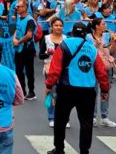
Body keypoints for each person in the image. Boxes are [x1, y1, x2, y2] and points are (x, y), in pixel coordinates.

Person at [46, 23, 110, 154]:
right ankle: (84, 150)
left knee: (60, 121)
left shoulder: (64, 45)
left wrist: (48, 85)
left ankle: (59, 149)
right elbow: (101, 71)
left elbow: (55, 69)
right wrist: (104, 89)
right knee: (86, 123)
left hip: (67, 88)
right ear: (85, 34)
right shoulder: (92, 48)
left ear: (73, 33)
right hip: (87, 90)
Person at [86, 18, 116, 127]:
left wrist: (113, 42)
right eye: (103, 24)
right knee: (93, 92)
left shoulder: (107, 36)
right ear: (97, 26)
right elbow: (87, 51)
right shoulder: (88, 37)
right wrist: (96, 44)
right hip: (93, 67)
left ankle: (105, 117)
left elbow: (111, 52)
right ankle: (92, 116)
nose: (105, 26)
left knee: (105, 91)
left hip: (105, 67)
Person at [39, 18, 68, 128]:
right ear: (51, 27)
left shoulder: (66, 39)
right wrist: (47, 53)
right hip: (50, 69)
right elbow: (40, 56)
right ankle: (51, 117)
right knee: (51, 93)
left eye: (60, 25)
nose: (58, 27)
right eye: (56, 25)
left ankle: (64, 118)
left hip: (64, 70)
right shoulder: (46, 39)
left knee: (63, 95)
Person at [13, 0, 37, 100]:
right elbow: (16, 30)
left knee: (29, 70)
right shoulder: (19, 17)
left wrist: (18, 41)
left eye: (19, 6)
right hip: (19, 48)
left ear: (25, 8)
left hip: (28, 48)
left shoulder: (30, 20)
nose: (16, 8)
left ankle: (31, 92)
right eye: (16, 6)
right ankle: (22, 91)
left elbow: (29, 35)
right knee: (18, 70)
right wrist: (14, 38)